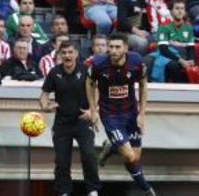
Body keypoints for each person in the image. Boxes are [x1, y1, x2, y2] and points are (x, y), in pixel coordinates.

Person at [86, 33, 156, 196]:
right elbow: (89, 83)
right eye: (111, 47)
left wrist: (141, 114)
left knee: (135, 157)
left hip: (131, 113)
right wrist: (93, 109)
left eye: (117, 47)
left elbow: (144, 85)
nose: (113, 51)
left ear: (125, 48)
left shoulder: (136, 61)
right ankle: (147, 189)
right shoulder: (98, 64)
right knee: (130, 156)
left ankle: (112, 147)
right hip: (110, 115)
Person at [39, 40, 101, 196]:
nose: (67, 55)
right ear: (60, 54)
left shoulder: (86, 70)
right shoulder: (54, 72)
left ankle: (93, 190)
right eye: (64, 53)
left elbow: (98, 91)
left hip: (83, 121)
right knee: (61, 162)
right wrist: (45, 106)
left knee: (88, 155)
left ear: (76, 54)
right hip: (62, 123)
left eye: (70, 52)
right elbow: (43, 96)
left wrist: (93, 110)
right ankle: (64, 191)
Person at [155, 0, 195, 83]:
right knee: (174, 65)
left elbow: (190, 48)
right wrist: (180, 60)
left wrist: (191, 59)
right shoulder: (164, 27)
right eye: (177, 8)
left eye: (182, 8)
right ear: (171, 12)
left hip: (183, 58)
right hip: (168, 58)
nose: (180, 11)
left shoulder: (189, 28)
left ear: (185, 12)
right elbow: (164, 50)